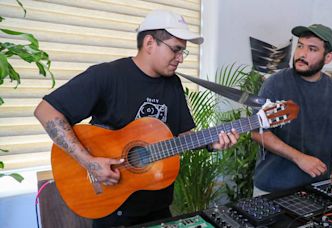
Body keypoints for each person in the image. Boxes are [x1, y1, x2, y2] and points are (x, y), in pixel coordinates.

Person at [34, 9, 239, 227]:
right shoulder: (107, 75)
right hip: (113, 206)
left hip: (158, 206)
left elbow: (182, 135)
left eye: (183, 52)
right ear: (150, 43)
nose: (180, 58)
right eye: (176, 49)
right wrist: (90, 162)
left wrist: (210, 143)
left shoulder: (173, 85)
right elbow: (46, 111)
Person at [251, 24, 332, 196]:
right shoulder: (275, 84)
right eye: (300, 46)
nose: (301, 54)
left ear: (328, 57)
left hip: (318, 188)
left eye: (312, 49)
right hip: (271, 187)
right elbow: (258, 132)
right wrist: (299, 158)